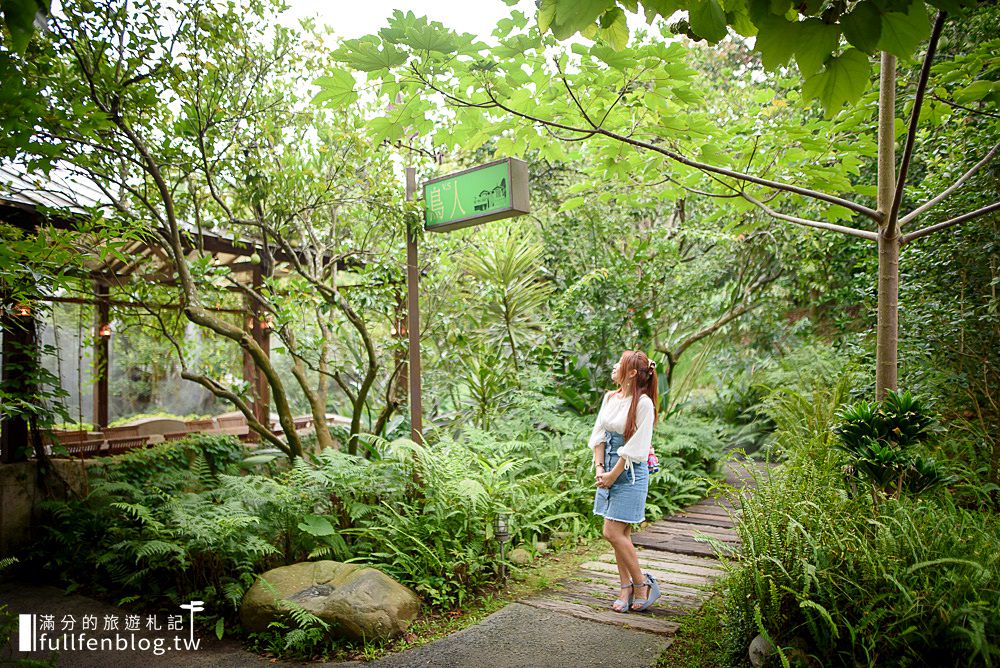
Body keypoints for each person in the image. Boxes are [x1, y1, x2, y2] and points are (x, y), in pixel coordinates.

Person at [589, 349, 662, 613]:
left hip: (629, 473)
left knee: (611, 532)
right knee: (621, 534)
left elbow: (636, 448)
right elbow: (598, 435)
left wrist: (612, 474)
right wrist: (600, 467)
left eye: (619, 364)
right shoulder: (610, 397)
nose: (614, 366)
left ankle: (642, 585)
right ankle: (625, 587)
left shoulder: (643, 404)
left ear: (631, 372)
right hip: (606, 469)